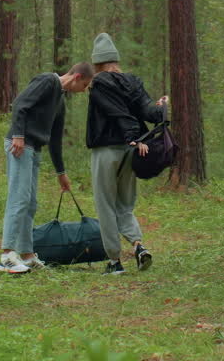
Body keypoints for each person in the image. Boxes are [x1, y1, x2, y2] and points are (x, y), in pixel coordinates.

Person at [0, 62, 94, 274]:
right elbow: (20, 103)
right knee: (19, 197)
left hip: (34, 149)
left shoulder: (60, 100)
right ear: (77, 77)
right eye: (85, 85)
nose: (83, 91)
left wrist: (61, 173)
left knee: (31, 203)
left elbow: (56, 139)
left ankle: (27, 254)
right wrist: (19, 135)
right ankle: (6, 255)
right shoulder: (47, 81)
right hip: (19, 145)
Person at [86, 32, 167, 274]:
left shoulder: (99, 83)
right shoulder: (132, 81)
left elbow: (116, 113)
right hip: (131, 152)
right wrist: (161, 108)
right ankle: (139, 246)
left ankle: (114, 262)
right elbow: (148, 112)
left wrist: (131, 135)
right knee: (124, 204)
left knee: (105, 205)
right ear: (115, 59)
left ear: (97, 63)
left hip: (106, 151)